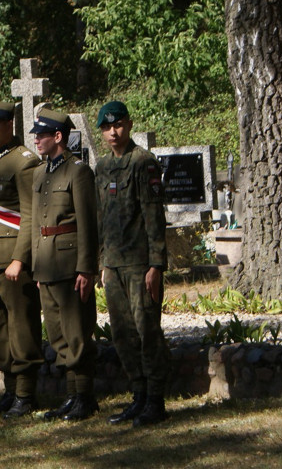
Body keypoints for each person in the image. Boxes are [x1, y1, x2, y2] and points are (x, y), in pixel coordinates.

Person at [95, 100, 170, 427]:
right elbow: (102, 217)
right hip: (113, 265)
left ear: (128, 124)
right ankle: (137, 396)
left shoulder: (143, 163)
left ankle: (155, 400)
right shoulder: (102, 167)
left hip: (141, 265)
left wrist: (157, 265)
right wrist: (102, 261)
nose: (114, 132)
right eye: (108, 127)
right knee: (123, 334)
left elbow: (155, 217)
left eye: (119, 125)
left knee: (147, 331)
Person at [0, 100, 43, 418]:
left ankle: (25, 395)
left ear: (9, 125)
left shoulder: (23, 161)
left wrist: (20, 258)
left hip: (11, 257)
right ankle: (12, 389)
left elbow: (30, 215)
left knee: (21, 326)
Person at [29, 108, 99, 421]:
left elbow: (87, 223)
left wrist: (87, 268)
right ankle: (71, 396)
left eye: (42, 134)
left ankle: (84, 396)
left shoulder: (78, 172)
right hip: (47, 264)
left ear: (58, 136)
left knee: (77, 332)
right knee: (57, 334)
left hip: (71, 264)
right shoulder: (40, 173)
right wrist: (36, 268)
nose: (36, 139)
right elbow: (35, 223)